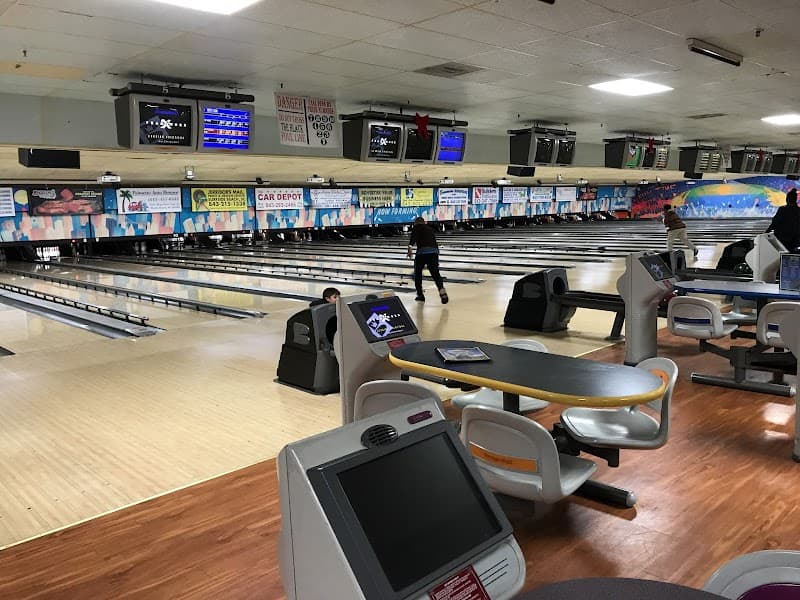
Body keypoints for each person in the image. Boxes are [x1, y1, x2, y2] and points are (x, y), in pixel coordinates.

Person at [407, 216, 448, 304]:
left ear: (416, 223)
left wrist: (410, 248)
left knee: (417, 274)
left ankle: (420, 295)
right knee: (435, 274)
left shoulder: (416, 227)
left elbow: (413, 238)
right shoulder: (429, 228)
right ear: (424, 222)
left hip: (422, 252)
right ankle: (442, 290)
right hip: (434, 252)